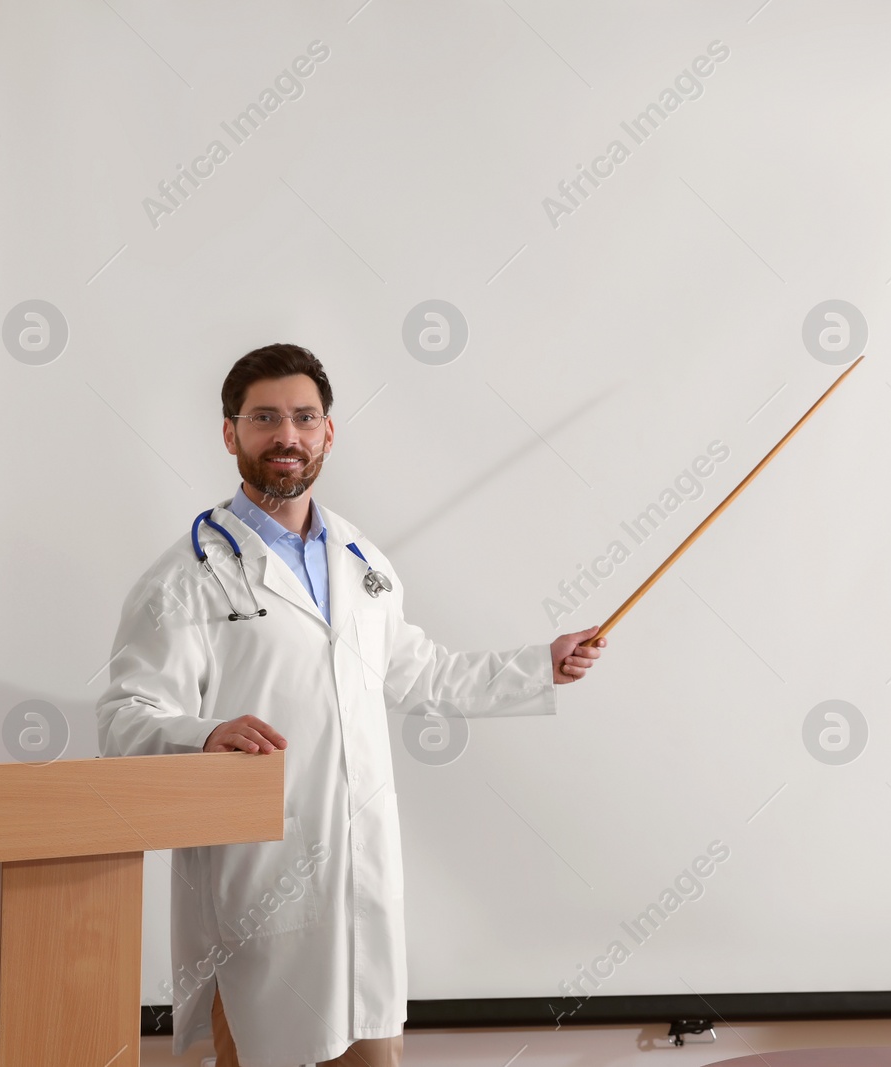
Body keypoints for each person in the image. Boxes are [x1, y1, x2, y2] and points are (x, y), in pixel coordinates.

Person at [96, 343, 606, 1067]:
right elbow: (124, 717)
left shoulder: (362, 562)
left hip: (360, 887)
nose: (287, 435)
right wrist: (205, 733)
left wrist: (539, 666)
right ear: (230, 433)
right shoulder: (188, 577)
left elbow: (422, 672)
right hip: (258, 884)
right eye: (265, 417)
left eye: (305, 417)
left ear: (328, 432)